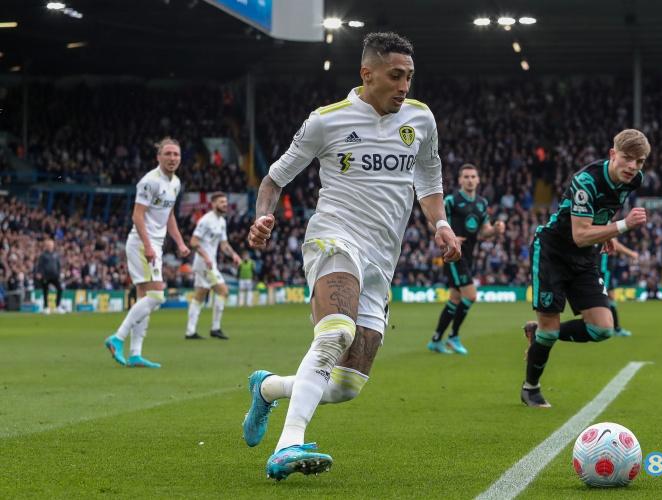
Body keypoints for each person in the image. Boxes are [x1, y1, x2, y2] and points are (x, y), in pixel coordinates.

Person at [242, 32, 461, 480]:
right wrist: (263, 216)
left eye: (409, 76)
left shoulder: (420, 119)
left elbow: (429, 180)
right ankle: (288, 444)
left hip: (382, 260)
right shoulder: (326, 121)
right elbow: (274, 179)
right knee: (335, 333)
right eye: (395, 76)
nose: (404, 86)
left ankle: (267, 388)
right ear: (367, 74)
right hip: (334, 238)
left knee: (345, 385)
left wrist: (441, 223)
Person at [521, 129, 650, 408]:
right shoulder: (585, 181)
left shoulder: (634, 179)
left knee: (603, 329)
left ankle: (537, 333)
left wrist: (606, 232)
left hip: (584, 257)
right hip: (553, 253)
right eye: (627, 158)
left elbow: (606, 208)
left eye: (639, 162)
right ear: (613, 154)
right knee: (549, 331)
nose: (633, 167)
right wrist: (621, 226)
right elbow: (580, 235)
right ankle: (531, 388)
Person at [104, 137, 190, 368]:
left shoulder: (175, 183)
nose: (172, 158)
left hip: (154, 244)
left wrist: (180, 242)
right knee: (157, 296)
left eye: (176, 154)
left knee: (145, 299)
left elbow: (169, 216)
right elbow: (137, 215)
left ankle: (135, 354)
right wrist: (149, 246)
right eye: (168, 154)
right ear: (158, 157)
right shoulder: (149, 181)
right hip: (143, 244)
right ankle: (117, 337)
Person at [427, 163, 505, 355]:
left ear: (478, 180)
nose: (470, 180)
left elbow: (484, 231)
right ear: (460, 180)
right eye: (466, 177)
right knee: (470, 296)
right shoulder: (451, 201)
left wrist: (495, 230)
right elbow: (433, 223)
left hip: (469, 256)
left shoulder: (482, 203)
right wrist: (450, 237)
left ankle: (436, 340)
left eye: (473, 177)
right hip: (454, 254)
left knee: (455, 299)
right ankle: (453, 336)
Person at [185, 192, 241, 340]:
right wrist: (206, 257)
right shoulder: (205, 221)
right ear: (213, 204)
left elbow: (224, 244)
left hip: (208, 263)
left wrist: (234, 255)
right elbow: (193, 242)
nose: (225, 204)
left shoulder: (221, 221)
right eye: (221, 202)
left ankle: (190, 331)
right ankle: (215, 328)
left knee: (200, 295)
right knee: (223, 291)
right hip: (205, 263)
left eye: (226, 202)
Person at [600, 238, 639, 337]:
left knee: (609, 297)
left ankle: (613, 327)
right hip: (603, 269)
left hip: (604, 269)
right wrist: (631, 253)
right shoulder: (605, 229)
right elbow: (615, 244)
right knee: (607, 297)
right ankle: (612, 328)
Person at [35, 239, 64, 314]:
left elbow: (58, 265)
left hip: (55, 276)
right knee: (45, 291)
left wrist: (60, 272)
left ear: (53, 246)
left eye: (51, 245)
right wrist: (39, 273)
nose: (50, 246)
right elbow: (40, 265)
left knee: (60, 289)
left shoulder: (56, 254)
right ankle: (46, 307)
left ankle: (57, 306)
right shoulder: (43, 255)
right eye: (48, 245)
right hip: (46, 276)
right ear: (46, 246)